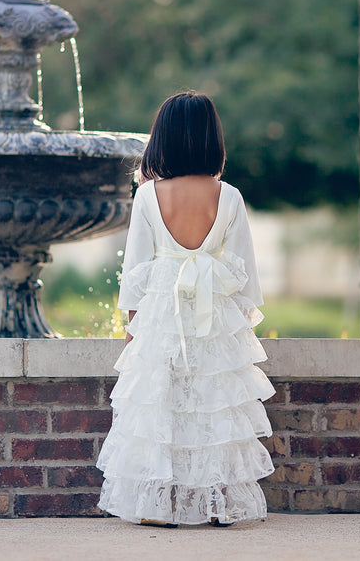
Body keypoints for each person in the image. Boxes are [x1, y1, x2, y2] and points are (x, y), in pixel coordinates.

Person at [96, 91, 275, 527]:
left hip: (161, 313)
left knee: (162, 407)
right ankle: (220, 503)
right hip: (214, 314)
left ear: (164, 139)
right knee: (215, 409)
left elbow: (135, 269)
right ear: (212, 138)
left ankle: (159, 506)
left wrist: (131, 325)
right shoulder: (229, 196)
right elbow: (245, 274)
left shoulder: (148, 196)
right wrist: (242, 326)